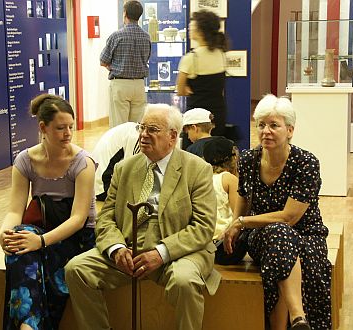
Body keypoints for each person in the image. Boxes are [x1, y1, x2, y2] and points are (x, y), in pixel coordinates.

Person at [65, 103, 220, 330]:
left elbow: (203, 227)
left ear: (172, 136)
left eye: (153, 130)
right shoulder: (124, 168)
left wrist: (161, 253)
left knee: (184, 281)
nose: (143, 135)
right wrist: (116, 248)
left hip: (179, 251)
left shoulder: (197, 169)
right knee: (76, 269)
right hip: (129, 247)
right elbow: (106, 217)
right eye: (142, 127)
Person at [222, 94, 331, 330]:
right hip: (261, 235)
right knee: (278, 238)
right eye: (261, 125)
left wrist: (242, 222)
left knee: (286, 247)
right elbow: (242, 199)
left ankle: (290, 322)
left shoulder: (306, 163)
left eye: (274, 125)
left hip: (305, 234)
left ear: (290, 130)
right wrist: (234, 226)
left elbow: (289, 217)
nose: (266, 131)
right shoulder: (249, 158)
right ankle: (298, 319)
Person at [0, 94, 97, 330]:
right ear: (43, 127)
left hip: (76, 236)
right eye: (61, 128)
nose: (68, 134)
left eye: (71, 127)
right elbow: (15, 209)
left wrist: (40, 241)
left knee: (29, 251)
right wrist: (4, 232)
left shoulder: (82, 162)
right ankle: (28, 327)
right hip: (42, 229)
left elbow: (78, 218)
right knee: (18, 240)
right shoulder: (25, 160)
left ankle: (27, 325)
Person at [176, 10, 227, 148]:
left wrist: (189, 88)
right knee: (216, 153)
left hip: (196, 119)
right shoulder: (221, 54)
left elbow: (180, 90)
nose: (189, 29)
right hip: (217, 113)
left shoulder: (191, 58)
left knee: (193, 156)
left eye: (191, 26)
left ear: (200, 31)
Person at [100, 0, 151, 128]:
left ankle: (121, 149)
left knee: (119, 127)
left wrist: (114, 67)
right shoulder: (146, 37)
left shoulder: (116, 36)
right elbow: (146, 58)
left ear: (125, 14)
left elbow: (103, 60)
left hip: (120, 84)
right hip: (139, 85)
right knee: (137, 127)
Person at [202, 136, 244, 265]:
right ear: (232, 158)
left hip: (201, 243)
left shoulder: (200, 178)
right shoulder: (229, 179)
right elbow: (239, 215)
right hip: (223, 245)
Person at [92, 121, 140, 201]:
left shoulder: (131, 128)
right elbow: (131, 169)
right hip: (102, 186)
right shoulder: (135, 136)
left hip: (97, 180)